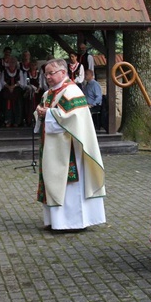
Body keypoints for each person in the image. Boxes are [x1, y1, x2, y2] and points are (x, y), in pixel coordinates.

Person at [35, 58, 105, 231]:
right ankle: (55, 221)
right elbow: (44, 112)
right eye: (46, 74)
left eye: (51, 73)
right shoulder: (49, 93)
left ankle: (74, 222)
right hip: (52, 147)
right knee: (53, 180)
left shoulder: (72, 91)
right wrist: (40, 113)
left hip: (70, 149)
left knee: (70, 185)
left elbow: (73, 118)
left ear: (63, 72)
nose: (48, 77)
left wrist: (49, 113)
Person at [1, 57, 27, 127]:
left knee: (17, 106)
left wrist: (13, 86)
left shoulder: (19, 72)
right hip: (7, 91)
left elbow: (21, 82)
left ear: (16, 63)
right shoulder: (4, 71)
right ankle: (8, 121)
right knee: (7, 107)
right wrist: (9, 87)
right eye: (10, 62)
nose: (12, 64)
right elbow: (2, 82)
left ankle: (17, 122)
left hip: (16, 91)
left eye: (13, 62)